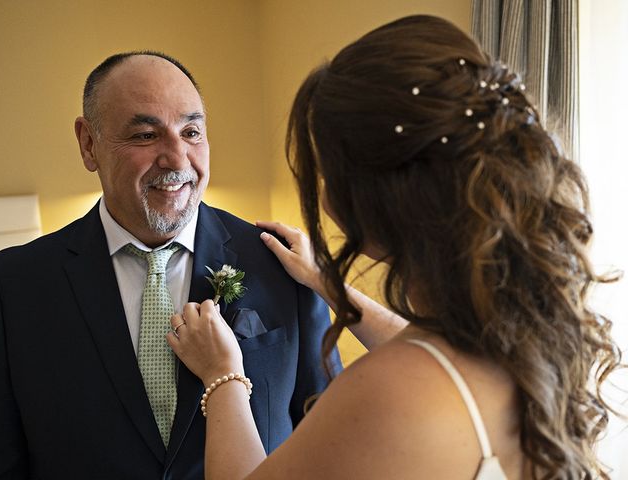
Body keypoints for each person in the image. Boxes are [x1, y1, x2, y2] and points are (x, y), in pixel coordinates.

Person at [167, 15, 623, 479]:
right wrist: (328, 283)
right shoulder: (525, 335)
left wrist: (222, 375)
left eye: (326, 170)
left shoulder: (384, 392)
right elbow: (429, 351)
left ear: (368, 197)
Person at [0, 51, 340, 479]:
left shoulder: (283, 265)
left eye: (191, 131)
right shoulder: (11, 286)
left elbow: (329, 437)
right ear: (88, 143)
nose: (177, 159)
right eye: (144, 136)